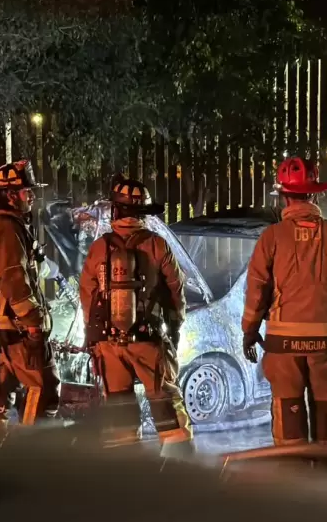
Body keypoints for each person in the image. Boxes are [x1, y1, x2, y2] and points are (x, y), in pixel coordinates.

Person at [241, 157, 327, 447]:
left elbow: (256, 292)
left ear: (284, 196)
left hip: (283, 344)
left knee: (288, 414)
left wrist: (249, 330)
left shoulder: (271, 237)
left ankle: (293, 479)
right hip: (325, 339)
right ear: (313, 193)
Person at [79, 177, 194, 457]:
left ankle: (126, 476)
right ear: (143, 214)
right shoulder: (157, 246)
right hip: (149, 341)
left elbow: (87, 296)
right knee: (166, 404)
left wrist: (94, 340)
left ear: (115, 212)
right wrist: (174, 331)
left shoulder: (99, 248)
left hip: (108, 345)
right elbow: (176, 294)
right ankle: (183, 471)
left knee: (119, 412)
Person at [0, 160, 61, 428]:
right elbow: (15, 281)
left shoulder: (1, 225)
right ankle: (29, 458)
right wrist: (34, 324)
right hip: (19, 331)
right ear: (10, 195)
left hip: (2, 330)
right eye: (26, 191)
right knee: (45, 391)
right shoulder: (7, 229)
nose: (32, 195)